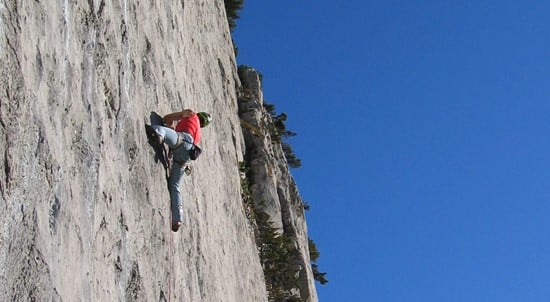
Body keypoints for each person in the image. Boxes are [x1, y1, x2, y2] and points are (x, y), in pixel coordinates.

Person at [151, 109, 212, 232]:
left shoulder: (191, 114)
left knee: (159, 129)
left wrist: (167, 123)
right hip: (186, 156)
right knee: (175, 186)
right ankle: (177, 218)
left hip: (181, 140)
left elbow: (168, 117)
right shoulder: (198, 135)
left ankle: (160, 136)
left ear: (199, 115)